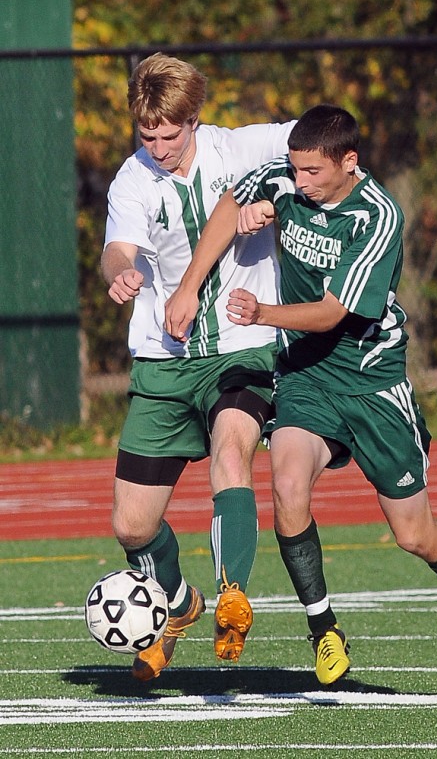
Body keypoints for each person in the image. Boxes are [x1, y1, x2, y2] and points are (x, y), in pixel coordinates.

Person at [165, 104, 437, 687]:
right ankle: (323, 630)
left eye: (312, 173)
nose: (299, 182)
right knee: (285, 483)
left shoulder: (377, 217)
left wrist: (262, 313)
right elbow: (231, 203)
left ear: (347, 162)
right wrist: (193, 280)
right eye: (295, 170)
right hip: (307, 376)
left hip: (372, 384)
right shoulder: (286, 179)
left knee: (414, 534)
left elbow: (332, 313)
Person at [101, 52, 295, 681]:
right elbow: (115, 250)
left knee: (231, 452)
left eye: (169, 133)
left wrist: (275, 198)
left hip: (241, 347)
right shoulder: (131, 181)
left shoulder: (238, 151)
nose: (157, 145)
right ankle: (179, 605)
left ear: (195, 120)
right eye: (147, 134)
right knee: (132, 526)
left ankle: (233, 593)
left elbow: (323, 141)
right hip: (165, 358)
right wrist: (121, 274)